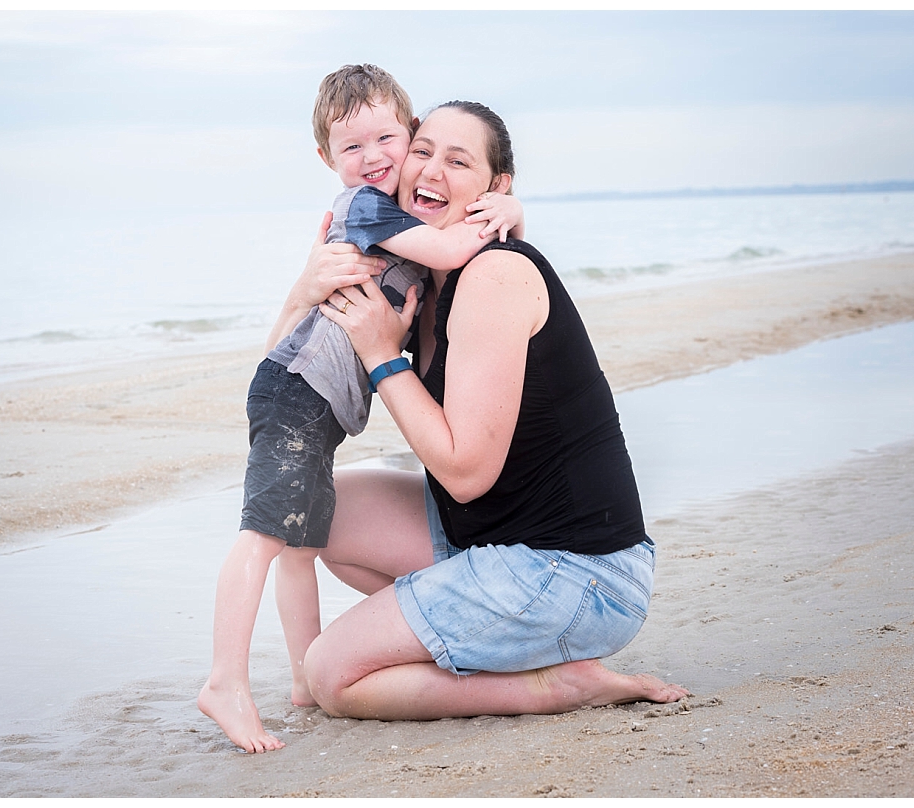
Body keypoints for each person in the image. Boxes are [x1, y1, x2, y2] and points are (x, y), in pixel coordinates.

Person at [291, 100, 690, 720]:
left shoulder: (494, 275)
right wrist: (304, 287)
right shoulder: (417, 278)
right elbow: (279, 374)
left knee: (332, 676)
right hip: (489, 539)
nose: (431, 171)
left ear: (495, 188)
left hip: (577, 573)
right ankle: (483, 635)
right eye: (422, 151)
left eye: (458, 161)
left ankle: (556, 685)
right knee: (317, 505)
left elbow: (465, 472)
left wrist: (381, 354)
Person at [197, 66, 525, 753]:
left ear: (409, 134)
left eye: (387, 138)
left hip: (304, 394)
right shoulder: (366, 209)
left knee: (299, 544)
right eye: (352, 148)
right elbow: (446, 245)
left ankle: (297, 673)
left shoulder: (391, 210)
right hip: (297, 392)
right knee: (264, 535)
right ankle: (224, 680)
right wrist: (506, 211)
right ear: (327, 160)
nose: (374, 157)